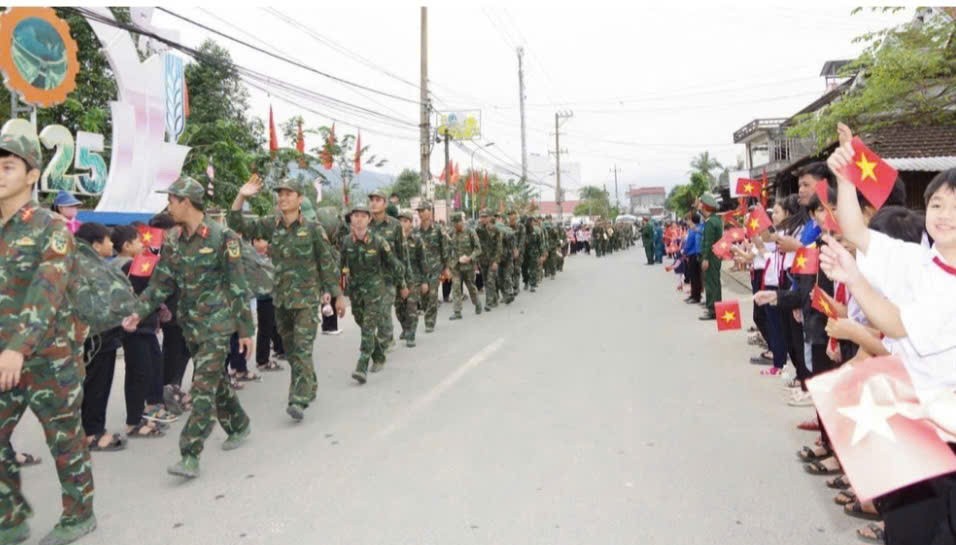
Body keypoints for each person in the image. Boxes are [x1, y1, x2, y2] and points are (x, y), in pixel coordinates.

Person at [822, 126, 956, 545]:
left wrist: (855, 280)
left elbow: (899, 326)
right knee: (904, 529)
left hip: (944, 438)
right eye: (936, 203)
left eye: (955, 207)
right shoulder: (918, 259)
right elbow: (857, 232)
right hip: (909, 421)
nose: (942, 214)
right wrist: (846, 180)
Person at [0, 124, 98, 545]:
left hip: (49, 357)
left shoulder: (50, 227)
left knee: (63, 439)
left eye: (7, 166)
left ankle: (79, 514)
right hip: (4, 356)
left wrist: (18, 347)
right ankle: (11, 515)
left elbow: (47, 290)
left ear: (32, 174)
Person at [124, 177, 254, 479]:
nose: (168, 205)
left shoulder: (224, 237)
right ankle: (239, 423)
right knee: (216, 382)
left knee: (203, 388)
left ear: (187, 202)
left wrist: (245, 329)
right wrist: (137, 312)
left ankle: (190, 454)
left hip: (218, 326)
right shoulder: (173, 241)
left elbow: (237, 286)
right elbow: (161, 284)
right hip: (190, 325)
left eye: (172, 199)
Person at [229, 176, 341, 422]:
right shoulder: (271, 225)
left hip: (305, 301)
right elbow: (238, 225)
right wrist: (241, 196)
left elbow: (327, 264)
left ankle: (297, 399)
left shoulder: (313, 229)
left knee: (301, 349)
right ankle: (309, 382)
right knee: (292, 352)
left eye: (289, 194)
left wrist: (337, 295)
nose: (283, 198)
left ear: (300, 199)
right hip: (280, 300)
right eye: (280, 194)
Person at [110, 225, 174, 433]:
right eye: (138, 241)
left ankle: (149, 409)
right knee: (139, 373)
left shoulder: (125, 263)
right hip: (135, 326)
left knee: (152, 366)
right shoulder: (129, 265)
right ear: (127, 246)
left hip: (143, 326)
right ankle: (134, 420)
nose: (143, 245)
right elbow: (146, 289)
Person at [338, 202, 405, 383]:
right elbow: (340, 267)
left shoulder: (378, 241)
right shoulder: (345, 242)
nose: (359, 220)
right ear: (351, 219)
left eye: (363, 216)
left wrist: (403, 283)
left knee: (368, 327)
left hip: (376, 290)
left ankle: (362, 365)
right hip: (356, 292)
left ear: (368, 219)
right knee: (361, 321)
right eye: (355, 216)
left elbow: (394, 264)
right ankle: (379, 355)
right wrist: (337, 293)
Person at [368, 189, 406, 352]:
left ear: (384, 204)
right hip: (370, 278)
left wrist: (404, 282)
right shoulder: (365, 224)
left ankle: (384, 343)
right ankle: (387, 337)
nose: (374, 203)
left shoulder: (395, 225)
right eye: (372, 200)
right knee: (374, 314)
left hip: (389, 277)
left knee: (384, 309)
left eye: (378, 200)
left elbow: (402, 254)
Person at [415, 201, 450, 333]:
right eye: (419, 211)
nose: (420, 213)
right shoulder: (415, 232)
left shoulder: (438, 230)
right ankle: (426, 311)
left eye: (423, 210)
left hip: (435, 268)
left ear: (429, 212)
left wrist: (446, 267)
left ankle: (429, 322)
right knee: (423, 295)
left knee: (433, 295)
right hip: (421, 269)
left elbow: (444, 248)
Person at [397, 210, 426, 347]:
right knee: (399, 309)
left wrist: (425, 281)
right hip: (398, 279)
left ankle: (411, 335)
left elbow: (423, 261)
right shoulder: (394, 239)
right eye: (400, 221)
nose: (402, 224)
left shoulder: (417, 239)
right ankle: (406, 328)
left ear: (410, 223)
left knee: (411, 308)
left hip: (414, 279)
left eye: (405, 221)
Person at [448, 211, 482, 319]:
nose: (455, 226)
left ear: (461, 222)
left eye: (456, 223)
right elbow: (448, 249)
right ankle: (457, 312)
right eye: (453, 224)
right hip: (456, 266)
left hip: (469, 267)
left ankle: (477, 303)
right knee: (456, 287)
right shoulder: (452, 233)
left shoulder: (470, 232)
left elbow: (478, 249)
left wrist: (470, 258)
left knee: (471, 287)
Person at [698, 193, 724, 320]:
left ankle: (712, 310)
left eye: (701, 206)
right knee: (715, 282)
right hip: (716, 256)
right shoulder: (716, 220)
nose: (699, 209)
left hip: (711, 257)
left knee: (710, 283)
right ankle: (715, 306)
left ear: (705, 208)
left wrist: (705, 259)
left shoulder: (710, 223)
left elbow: (708, 242)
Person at [476, 209, 502, 311]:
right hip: (482, 260)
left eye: (485, 217)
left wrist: (496, 261)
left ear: (490, 218)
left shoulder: (495, 230)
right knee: (486, 281)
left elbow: (499, 247)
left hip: (492, 260)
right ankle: (494, 298)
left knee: (490, 280)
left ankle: (489, 303)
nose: (483, 219)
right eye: (481, 217)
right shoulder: (478, 230)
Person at [682, 212, 703, 304]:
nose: (687, 222)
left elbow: (689, 242)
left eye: (688, 219)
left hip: (692, 255)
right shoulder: (700, 227)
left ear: (691, 220)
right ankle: (694, 295)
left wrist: (684, 251)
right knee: (696, 277)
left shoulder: (693, 229)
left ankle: (695, 296)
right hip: (696, 254)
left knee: (694, 277)